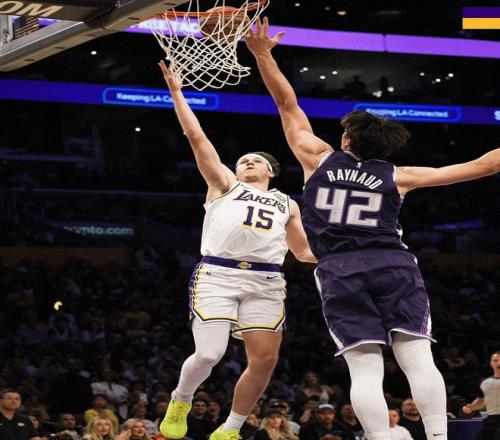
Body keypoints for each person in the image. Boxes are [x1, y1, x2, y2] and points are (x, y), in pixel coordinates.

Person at [244, 16, 500, 440]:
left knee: (364, 367)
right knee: (417, 356)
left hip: (338, 269)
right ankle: (439, 437)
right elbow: (486, 165)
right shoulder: (401, 175)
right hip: (392, 264)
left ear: (347, 141)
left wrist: (263, 55)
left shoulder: (317, 158)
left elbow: (287, 105)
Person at [157, 60, 317, 440]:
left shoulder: (287, 204)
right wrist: (177, 94)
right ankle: (181, 399)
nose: (246, 162)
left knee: (265, 360)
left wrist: (347, 253)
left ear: (271, 172)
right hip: (218, 273)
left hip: (266, 281)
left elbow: (304, 252)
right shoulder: (225, 184)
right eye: (243, 160)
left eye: (255, 160)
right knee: (209, 354)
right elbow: (197, 138)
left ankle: (231, 428)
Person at [462, 352, 500, 440]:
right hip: (491, 420)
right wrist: (471, 407)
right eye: (495, 360)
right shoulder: (485, 383)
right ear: (491, 363)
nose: (499, 363)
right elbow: (482, 400)